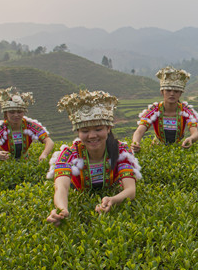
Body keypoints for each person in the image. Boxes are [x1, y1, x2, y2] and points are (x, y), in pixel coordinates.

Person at [45, 90, 142, 226]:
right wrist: (62, 209)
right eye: (85, 131)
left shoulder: (121, 151)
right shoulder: (69, 154)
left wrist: (113, 200)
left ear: (108, 128)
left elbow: (130, 190)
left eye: (98, 129)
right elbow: (61, 188)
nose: (91, 136)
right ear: (78, 132)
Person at [131, 66, 198, 151]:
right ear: (162, 92)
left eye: (176, 91)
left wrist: (191, 139)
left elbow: (195, 133)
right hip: (157, 149)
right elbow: (139, 131)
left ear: (180, 94)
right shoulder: (154, 109)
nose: (172, 94)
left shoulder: (186, 110)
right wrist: (136, 142)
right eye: (168, 90)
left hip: (179, 148)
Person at [0, 87, 54, 161]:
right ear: (6, 113)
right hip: (5, 163)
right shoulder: (2, 127)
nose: (16, 115)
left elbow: (49, 141)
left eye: (19, 112)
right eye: (12, 112)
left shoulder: (29, 125)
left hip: (25, 162)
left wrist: (44, 154)